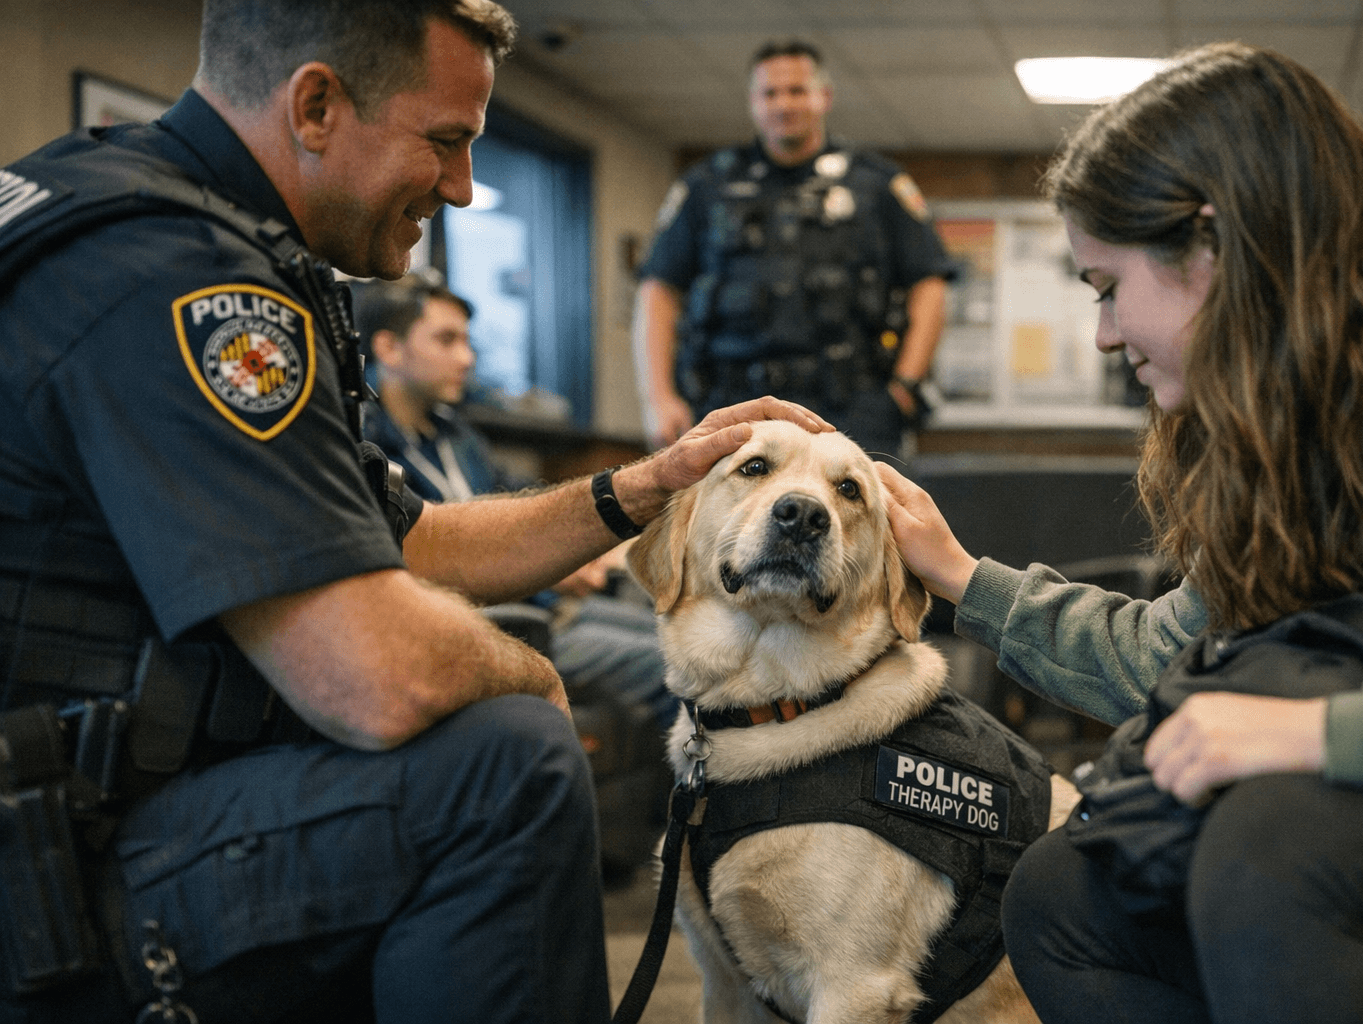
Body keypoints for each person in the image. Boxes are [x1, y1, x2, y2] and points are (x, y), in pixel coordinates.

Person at [0, 3, 830, 1022]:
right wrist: (530, 673)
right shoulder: (178, 280)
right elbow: (375, 674)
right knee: (504, 762)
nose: (463, 187)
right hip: (52, 880)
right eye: (445, 141)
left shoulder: (141, 210)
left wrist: (644, 487)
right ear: (316, 105)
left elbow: (415, 541)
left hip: (92, 815)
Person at [877, 41, 1363, 1024]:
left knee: (1274, 842)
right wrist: (961, 576)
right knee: (1064, 895)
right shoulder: (1303, 408)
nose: (1104, 334)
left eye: (1107, 286)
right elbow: (1178, 657)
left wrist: (1325, 733)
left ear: (1212, 244)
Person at [353, 274, 680, 730]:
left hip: (539, 605)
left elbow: (529, 495)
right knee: (680, 666)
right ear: (389, 348)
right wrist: (543, 566)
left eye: (467, 341)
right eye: (446, 340)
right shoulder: (366, 452)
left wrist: (574, 542)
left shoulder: (458, 436)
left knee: (678, 629)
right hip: (487, 626)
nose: (466, 358)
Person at [634, 38, 953, 458]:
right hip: (729, 405)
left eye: (797, 91)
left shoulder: (876, 185)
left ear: (825, 97)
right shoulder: (706, 186)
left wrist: (905, 386)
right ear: (753, 102)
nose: (783, 104)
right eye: (770, 93)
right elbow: (658, 289)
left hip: (852, 408)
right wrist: (658, 398)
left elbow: (929, 282)